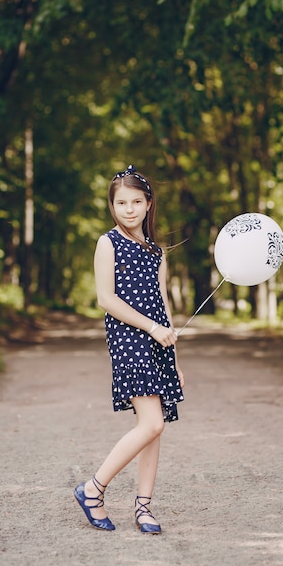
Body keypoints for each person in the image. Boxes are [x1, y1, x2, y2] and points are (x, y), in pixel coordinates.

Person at [74, 164, 185, 535]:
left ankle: (143, 507)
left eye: (137, 201)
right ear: (112, 206)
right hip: (130, 339)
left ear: (149, 204)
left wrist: (174, 357)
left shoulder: (156, 251)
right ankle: (93, 488)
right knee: (151, 422)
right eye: (122, 203)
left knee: (155, 428)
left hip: (157, 343)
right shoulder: (108, 243)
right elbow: (106, 299)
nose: (130, 209)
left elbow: (163, 304)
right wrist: (151, 327)